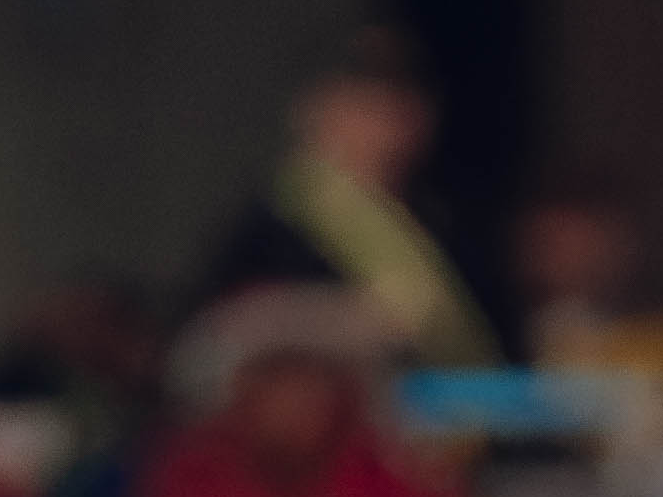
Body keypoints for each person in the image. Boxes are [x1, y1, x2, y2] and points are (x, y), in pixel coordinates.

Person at [194, 37, 495, 368]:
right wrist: (347, 319)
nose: (389, 129)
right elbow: (223, 331)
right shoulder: (279, 219)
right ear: (319, 110)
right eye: (369, 108)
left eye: (402, 108)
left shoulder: (437, 217)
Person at [131, 299, 460, 497]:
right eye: (280, 380)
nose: (298, 401)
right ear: (244, 391)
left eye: (315, 381)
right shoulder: (195, 470)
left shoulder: (382, 468)